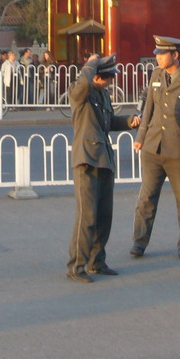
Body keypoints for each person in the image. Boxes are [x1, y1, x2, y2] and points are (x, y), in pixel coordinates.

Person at [130, 35, 180, 260]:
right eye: (157, 54)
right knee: (146, 198)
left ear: (175, 55)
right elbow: (148, 110)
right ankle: (139, 242)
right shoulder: (156, 75)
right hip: (153, 148)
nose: (158, 58)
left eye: (162, 54)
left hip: (178, 151)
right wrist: (140, 137)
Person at [66, 53, 131, 283]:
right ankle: (76, 266)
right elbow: (81, 84)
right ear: (98, 76)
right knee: (87, 216)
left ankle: (97, 261)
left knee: (104, 215)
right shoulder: (81, 93)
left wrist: (130, 121)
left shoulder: (103, 95)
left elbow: (110, 122)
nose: (111, 82)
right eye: (108, 78)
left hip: (104, 158)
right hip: (86, 160)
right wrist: (90, 63)